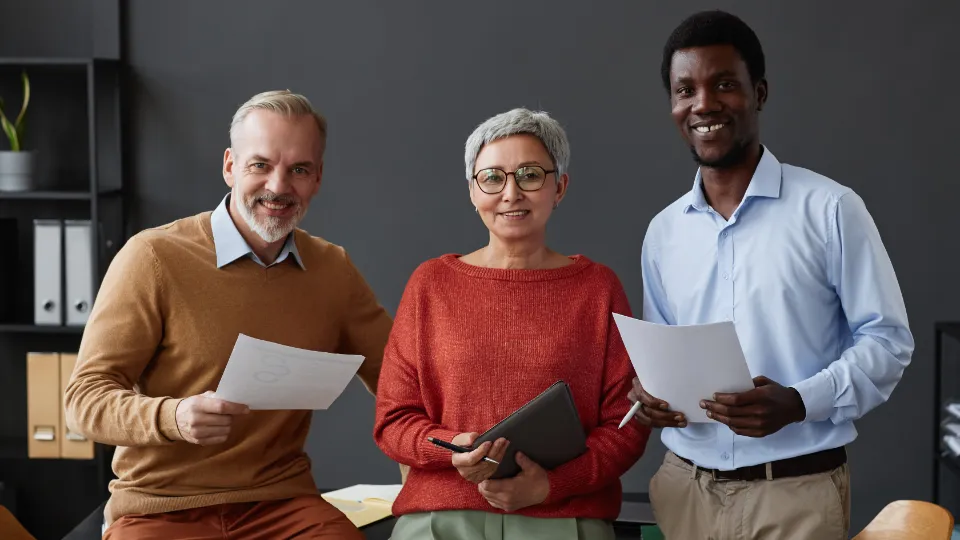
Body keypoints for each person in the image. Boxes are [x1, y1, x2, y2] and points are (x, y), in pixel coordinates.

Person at [629, 10, 914, 539]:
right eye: (684, 89)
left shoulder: (831, 209)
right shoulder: (663, 232)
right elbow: (663, 358)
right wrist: (649, 397)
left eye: (724, 85)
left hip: (794, 496)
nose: (703, 104)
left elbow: (889, 342)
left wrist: (801, 401)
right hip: (683, 491)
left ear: (758, 93)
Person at [63, 90, 394, 540]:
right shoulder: (153, 257)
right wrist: (174, 417)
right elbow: (83, 401)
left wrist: (473, 441)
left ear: (317, 179)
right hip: (160, 508)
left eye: (299, 169)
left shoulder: (332, 268)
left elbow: (400, 377)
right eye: (260, 165)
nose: (279, 187)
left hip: (282, 505)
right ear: (230, 166)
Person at [373, 108, 650, 540]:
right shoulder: (431, 284)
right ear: (472, 190)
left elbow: (628, 422)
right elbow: (393, 421)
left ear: (559, 187)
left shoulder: (598, 288)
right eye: (493, 178)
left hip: (563, 521)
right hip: (440, 521)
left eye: (530, 175)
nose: (511, 193)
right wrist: (451, 450)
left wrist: (551, 487)